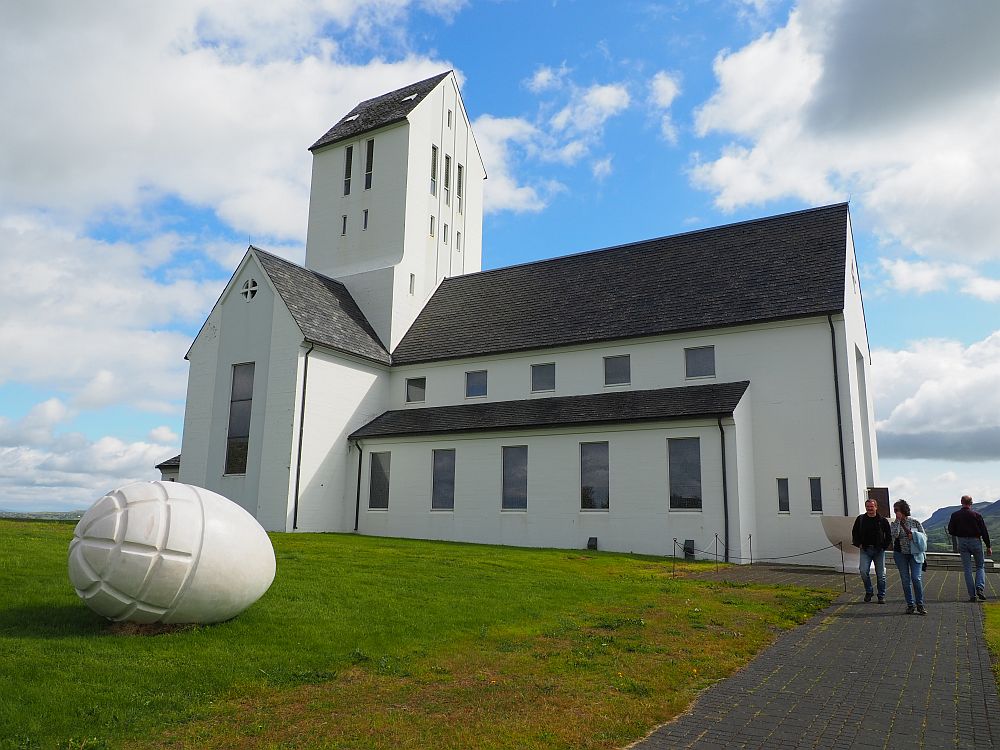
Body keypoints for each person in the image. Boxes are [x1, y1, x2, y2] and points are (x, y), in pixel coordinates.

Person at [948, 495, 992, 602]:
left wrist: (959, 533)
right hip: (976, 541)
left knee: (967, 569)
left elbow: (950, 530)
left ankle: (972, 596)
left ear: (961, 502)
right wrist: (988, 546)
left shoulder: (955, 515)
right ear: (971, 503)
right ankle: (979, 588)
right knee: (980, 566)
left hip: (962, 542)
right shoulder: (977, 515)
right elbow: (984, 532)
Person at [890, 499, 927, 615]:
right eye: (895, 510)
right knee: (905, 580)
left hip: (915, 554)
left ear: (904, 510)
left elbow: (924, 537)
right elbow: (894, 535)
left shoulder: (915, 522)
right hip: (900, 554)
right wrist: (897, 521)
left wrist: (914, 536)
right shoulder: (894, 523)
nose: (896, 512)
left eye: (897, 510)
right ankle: (910, 605)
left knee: (916, 578)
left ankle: (920, 604)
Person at [852, 498, 891, 603]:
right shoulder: (860, 519)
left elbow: (888, 535)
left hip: (879, 551)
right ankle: (869, 591)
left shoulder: (883, 521)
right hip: (865, 549)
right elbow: (854, 532)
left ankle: (881, 595)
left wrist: (884, 547)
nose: (869, 509)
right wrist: (858, 544)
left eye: (871, 506)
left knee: (881, 575)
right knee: (863, 571)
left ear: (876, 507)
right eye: (867, 507)